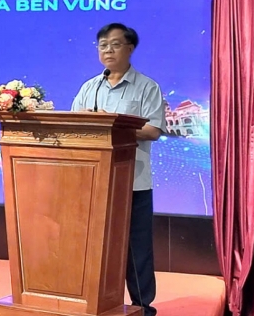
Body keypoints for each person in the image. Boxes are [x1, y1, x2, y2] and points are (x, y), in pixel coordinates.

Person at [71, 23, 167, 316]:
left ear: (130, 48)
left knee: (136, 247)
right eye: (102, 45)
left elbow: (153, 130)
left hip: (132, 181)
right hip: (94, 180)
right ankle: (95, 302)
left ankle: (142, 307)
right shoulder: (89, 87)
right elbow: (73, 125)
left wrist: (109, 123)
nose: (107, 50)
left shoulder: (147, 87)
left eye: (114, 44)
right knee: (93, 245)